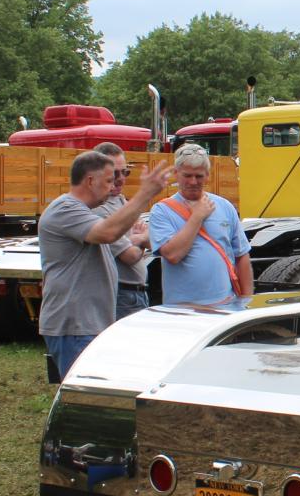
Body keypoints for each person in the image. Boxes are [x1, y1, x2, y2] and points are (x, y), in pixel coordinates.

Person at [38, 151, 170, 382]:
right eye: (109, 180)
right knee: (81, 396)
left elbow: (114, 233)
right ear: (90, 180)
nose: (113, 186)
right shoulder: (65, 209)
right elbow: (108, 233)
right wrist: (145, 193)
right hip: (75, 326)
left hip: (88, 324)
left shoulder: (83, 211)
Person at [150, 143, 253, 305]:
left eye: (198, 176)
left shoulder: (225, 206)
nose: (193, 182)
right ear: (176, 174)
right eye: (187, 175)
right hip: (182, 310)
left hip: (225, 306)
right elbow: (172, 255)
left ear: (207, 175)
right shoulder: (162, 211)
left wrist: (247, 301)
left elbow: (241, 256)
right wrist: (197, 217)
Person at [93, 142, 153, 319]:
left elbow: (152, 240)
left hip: (137, 293)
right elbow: (130, 256)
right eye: (114, 173)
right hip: (121, 295)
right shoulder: (99, 210)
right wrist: (140, 239)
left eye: (125, 172)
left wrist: (137, 240)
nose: (120, 179)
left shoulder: (121, 201)